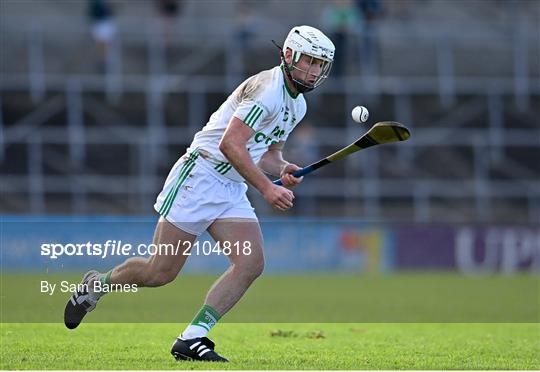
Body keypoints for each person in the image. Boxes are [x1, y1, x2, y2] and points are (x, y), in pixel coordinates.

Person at [64, 25, 335, 362]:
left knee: (251, 263)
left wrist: (280, 169)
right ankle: (98, 284)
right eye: (308, 61)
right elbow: (230, 144)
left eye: (319, 65)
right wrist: (267, 187)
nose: (312, 70)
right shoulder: (268, 89)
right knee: (159, 273)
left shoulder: (298, 106)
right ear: (290, 55)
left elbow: (264, 152)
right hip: (200, 175)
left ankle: (192, 338)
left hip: (231, 187)